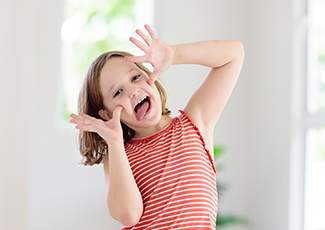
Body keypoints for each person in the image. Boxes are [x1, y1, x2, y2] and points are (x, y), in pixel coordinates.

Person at [70, 24, 244, 229]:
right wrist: (115, 143)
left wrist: (174, 54)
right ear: (107, 115)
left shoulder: (195, 122)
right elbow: (128, 216)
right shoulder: (119, 155)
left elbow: (234, 54)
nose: (133, 91)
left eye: (135, 77)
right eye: (118, 92)